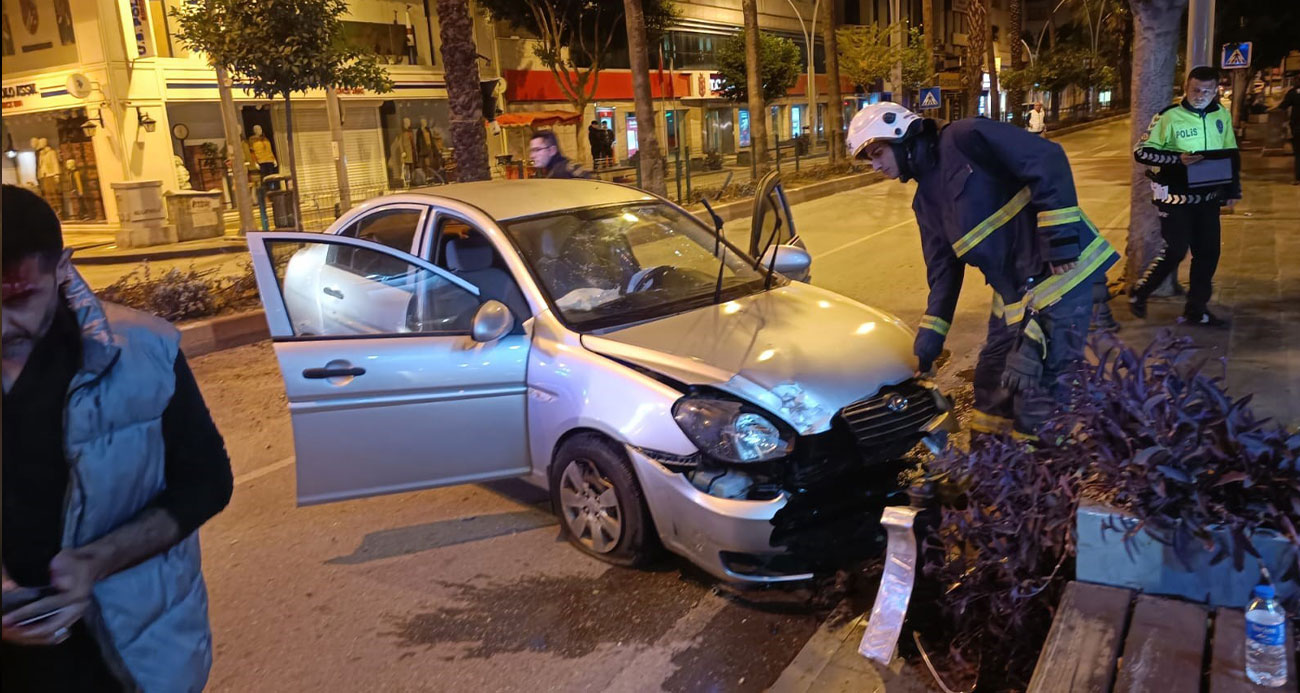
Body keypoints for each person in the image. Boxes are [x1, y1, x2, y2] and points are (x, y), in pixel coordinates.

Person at [1, 184, 233, 692]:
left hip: (130, 658)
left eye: (18, 298)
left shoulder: (142, 352)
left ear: (62, 267)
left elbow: (208, 481)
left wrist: (96, 561)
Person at [847, 103, 1118, 440]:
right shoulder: (926, 203)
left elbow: (1046, 159)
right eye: (869, 159)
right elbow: (943, 273)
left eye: (877, 152)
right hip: (1018, 295)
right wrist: (928, 344)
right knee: (992, 378)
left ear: (901, 135)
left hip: (1067, 274)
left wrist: (1060, 240)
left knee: (1038, 390)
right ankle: (989, 466)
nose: (875, 165)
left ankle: (1042, 480)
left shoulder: (965, 138)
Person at [1128, 66, 1241, 328]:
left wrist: (1233, 190)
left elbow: (1231, 154)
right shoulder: (1168, 116)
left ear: (1216, 91)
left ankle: (1197, 309)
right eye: (1195, 89)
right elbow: (1141, 152)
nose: (1200, 95)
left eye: (1206, 91)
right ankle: (1141, 292)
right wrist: (1177, 160)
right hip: (1175, 197)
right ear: (1185, 87)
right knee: (1176, 250)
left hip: (1208, 198)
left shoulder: (1220, 114)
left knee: (1208, 253)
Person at [1275, 75, 1300, 186]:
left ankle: (1298, 178)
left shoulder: (1293, 93)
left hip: (1297, 128)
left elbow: (1283, 106)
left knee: (1298, 154)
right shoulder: (1293, 93)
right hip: (1297, 128)